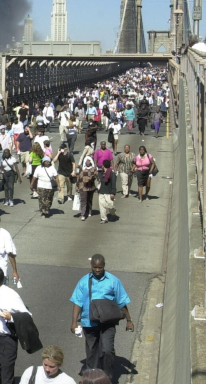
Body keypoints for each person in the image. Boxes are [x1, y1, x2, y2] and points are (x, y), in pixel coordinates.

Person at [70, 254, 133, 382]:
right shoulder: (84, 281)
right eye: (95, 267)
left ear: (104, 265)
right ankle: (91, 379)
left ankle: (107, 378)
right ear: (91, 266)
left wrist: (129, 320)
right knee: (91, 353)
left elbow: (122, 302)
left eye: (100, 267)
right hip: (89, 322)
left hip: (107, 323)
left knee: (107, 350)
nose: (97, 270)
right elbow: (77, 302)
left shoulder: (113, 281)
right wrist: (74, 322)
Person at [77, 157, 98, 221]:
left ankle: (89, 211)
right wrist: (77, 187)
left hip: (91, 187)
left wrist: (91, 178)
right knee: (83, 200)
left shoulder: (94, 169)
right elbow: (78, 178)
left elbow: (96, 176)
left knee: (89, 200)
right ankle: (83, 214)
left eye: (89, 161)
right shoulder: (81, 169)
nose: (88, 162)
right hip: (82, 187)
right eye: (87, 161)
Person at [98, 160, 117, 224]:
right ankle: (104, 218)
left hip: (109, 192)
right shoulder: (101, 173)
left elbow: (113, 184)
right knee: (101, 205)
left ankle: (113, 213)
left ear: (103, 166)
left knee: (110, 205)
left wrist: (113, 193)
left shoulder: (112, 174)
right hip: (102, 191)